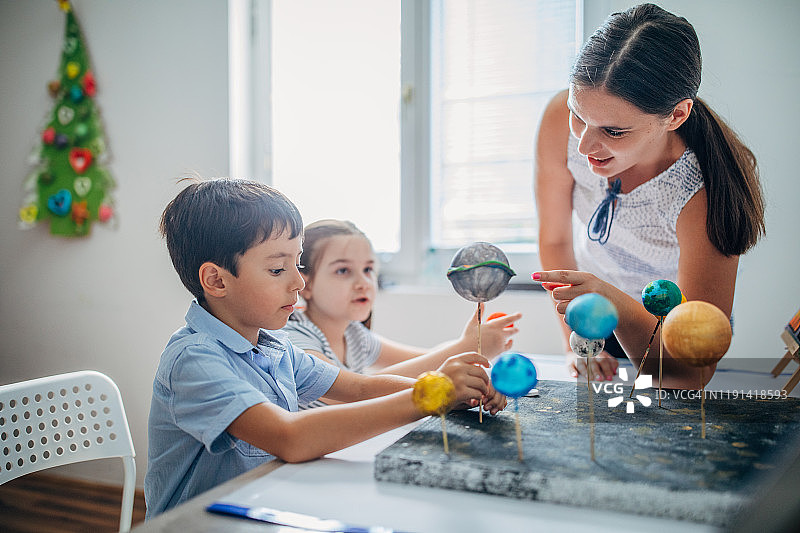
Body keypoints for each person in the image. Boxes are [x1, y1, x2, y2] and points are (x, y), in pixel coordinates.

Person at [144, 178, 506, 517]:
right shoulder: (194, 361)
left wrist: (455, 392)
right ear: (217, 280)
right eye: (276, 270)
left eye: (297, 263)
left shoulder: (275, 348)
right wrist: (431, 395)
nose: (299, 282)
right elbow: (290, 436)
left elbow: (359, 388)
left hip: (263, 505)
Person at [533, 3, 764, 388]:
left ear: (676, 116)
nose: (586, 144)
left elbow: (691, 372)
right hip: (593, 311)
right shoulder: (559, 119)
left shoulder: (700, 192)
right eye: (579, 115)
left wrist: (611, 300)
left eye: (614, 131)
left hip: (671, 327)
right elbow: (555, 239)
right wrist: (577, 341)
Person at [283, 219, 521, 408]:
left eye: (368, 269)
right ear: (307, 283)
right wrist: (464, 349)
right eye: (343, 270)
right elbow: (354, 392)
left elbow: (424, 359)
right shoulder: (295, 338)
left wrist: (468, 349)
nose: (363, 282)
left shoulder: (355, 335)